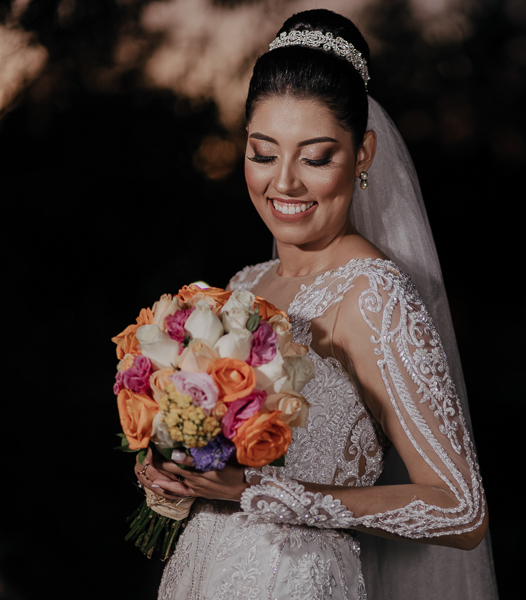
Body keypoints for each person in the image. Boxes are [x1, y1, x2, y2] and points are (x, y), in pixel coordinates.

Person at [133, 9, 498, 600]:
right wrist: (181, 475)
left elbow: (459, 509)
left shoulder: (375, 294)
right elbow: (227, 472)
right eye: (263, 152)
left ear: (363, 154)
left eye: (316, 155)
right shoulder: (243, 286)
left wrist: (262, 494)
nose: (284, 182)